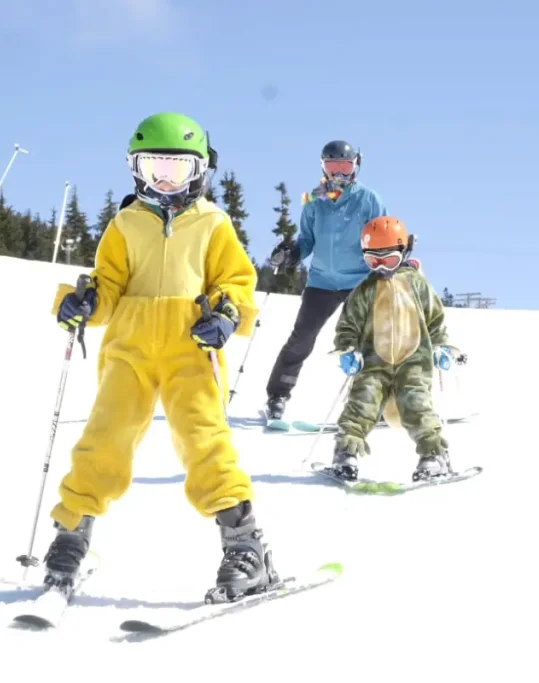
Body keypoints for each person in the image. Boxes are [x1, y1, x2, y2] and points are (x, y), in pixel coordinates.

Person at [43, 112, 279, 603]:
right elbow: (107, 285)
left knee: (204, 440)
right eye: (154, 168)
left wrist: (228, 316)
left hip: (190, 347)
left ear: (200, 170)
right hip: (129, 348)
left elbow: (235, 281)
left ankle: (245, 546)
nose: (165, 180)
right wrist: (82, 303)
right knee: (103, 438)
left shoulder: (213, 223)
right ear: (135, 169)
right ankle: (71, 537)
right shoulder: (125, 223)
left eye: (176, 169)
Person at [327, 216, 467, 482]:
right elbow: (348, 324)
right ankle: (346, 451)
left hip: (414, 362)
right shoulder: (365, 290)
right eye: (373, 261)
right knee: (361, 403)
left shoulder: (417, 284)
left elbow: (434, 318)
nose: (380, 267)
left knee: (417, 405)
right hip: (372, 364)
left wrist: (440, 346)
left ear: (403, 252)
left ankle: (434, 455)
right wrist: (347, 349)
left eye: (388, 259)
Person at [264, 140, 388, 422]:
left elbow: (382, 237)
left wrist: (386, 262)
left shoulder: (369, 199)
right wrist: (291, 254)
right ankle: (278, 395)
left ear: (356, 167)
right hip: (321, 282)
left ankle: (374, 400)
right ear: (323, 167)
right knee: (301, 340)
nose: (339, 174)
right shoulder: (313, 201)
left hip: (359, 281)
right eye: (333, 166)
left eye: (345, 166)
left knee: (368, 343)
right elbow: (306, 240)